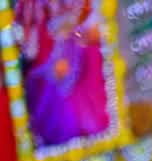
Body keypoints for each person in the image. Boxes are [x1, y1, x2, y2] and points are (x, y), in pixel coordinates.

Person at [13, 0, 111, 148]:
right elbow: (27, 48)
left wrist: (84, 33)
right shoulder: (29, 7)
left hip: (78, 60)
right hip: (45, 72)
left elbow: (92, 28)